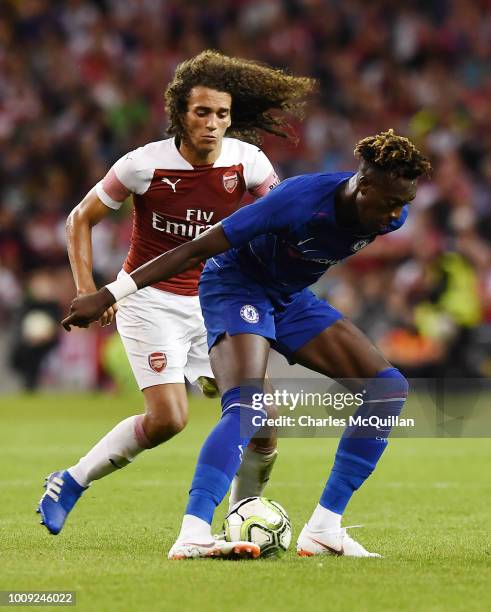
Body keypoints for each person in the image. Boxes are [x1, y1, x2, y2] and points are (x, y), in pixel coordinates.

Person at [61, 129, 432, 559]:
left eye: (404, 203)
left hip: (289, 296)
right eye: (390, 202)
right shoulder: (297, 201)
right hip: (236, 286)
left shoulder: (386, 215)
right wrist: (110, 294)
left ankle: (325, 528)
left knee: (388, 388)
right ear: (363, 184)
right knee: (248, 407)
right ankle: (194, 531)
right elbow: (196, 249)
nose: (396, 215)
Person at [37, 50, 315, 537]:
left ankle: (240, 518)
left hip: (216, 303)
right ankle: (71, 480)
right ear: (180, 115)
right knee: (168, 420)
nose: (212, 124)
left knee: (263, 423)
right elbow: (79, 218)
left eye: (222, 114)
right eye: (201, 112)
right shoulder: (141, 166)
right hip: (150, 300)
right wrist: (90, 290)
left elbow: (285, 213)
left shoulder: (247, 162)